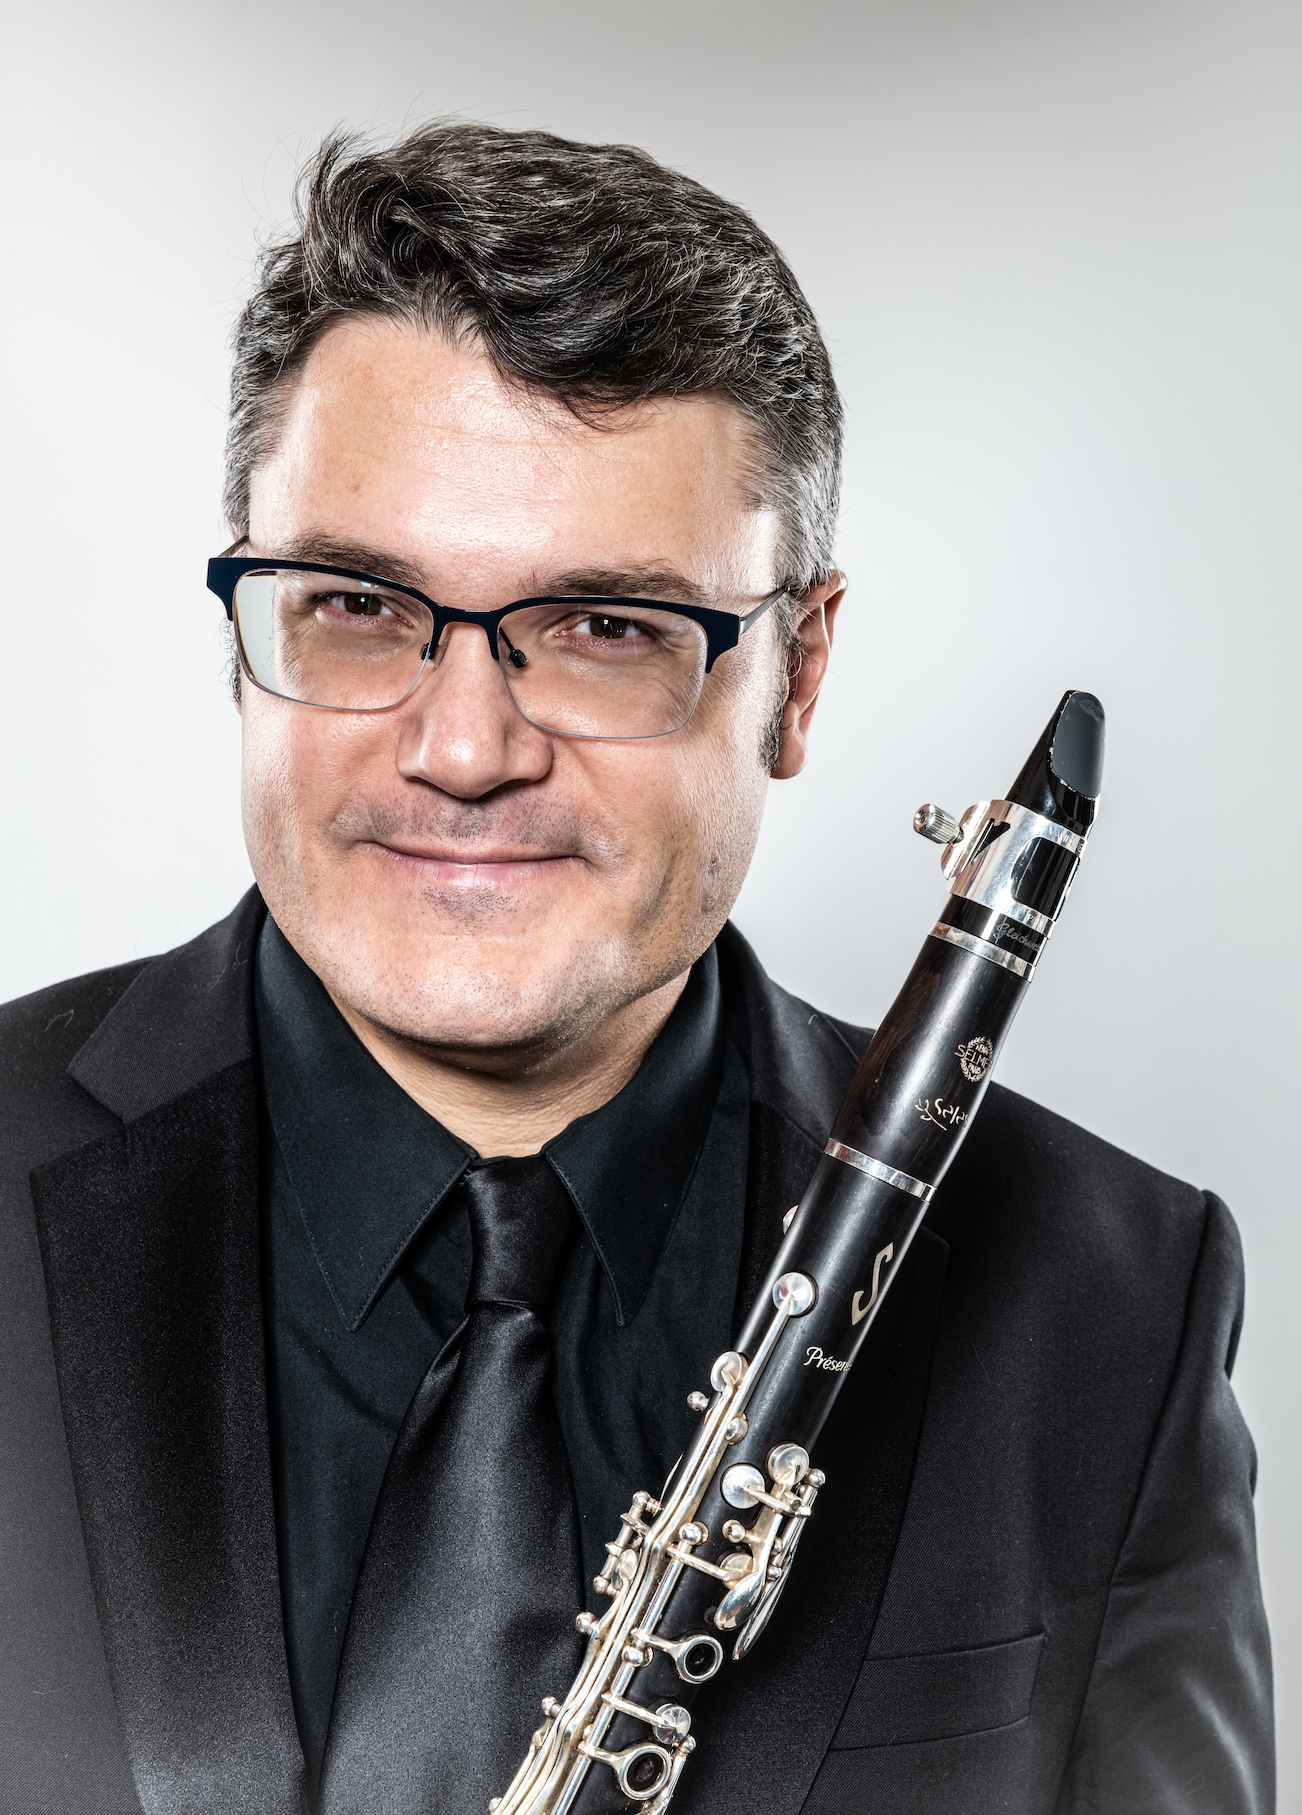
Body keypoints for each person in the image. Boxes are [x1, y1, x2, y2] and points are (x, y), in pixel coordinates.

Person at [0, 122, 1272, 1815]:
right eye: (358, 606)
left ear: (798, 679)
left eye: (606, 626)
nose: (460, 750)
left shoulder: (1111, 1297)